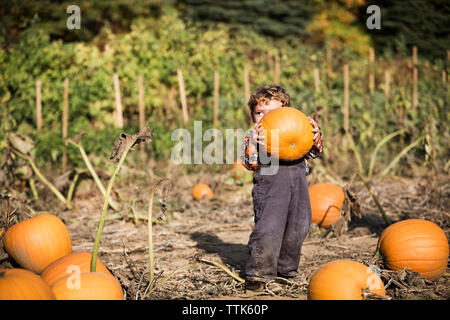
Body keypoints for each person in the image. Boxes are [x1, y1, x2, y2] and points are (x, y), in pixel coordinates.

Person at [240, 84, 324, 292]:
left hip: (298, 189)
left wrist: (314, 134)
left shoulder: (295, 133)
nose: (265, 118)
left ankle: (286, 270)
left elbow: (314, 153)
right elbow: (248, 162)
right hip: (269, 191)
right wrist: (253, 143)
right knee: (269, 228)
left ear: (287, 114)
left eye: (274, 113)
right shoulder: (255, 137)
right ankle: (258, 274)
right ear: (252, 116)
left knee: (298, 226)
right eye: (260, 113)